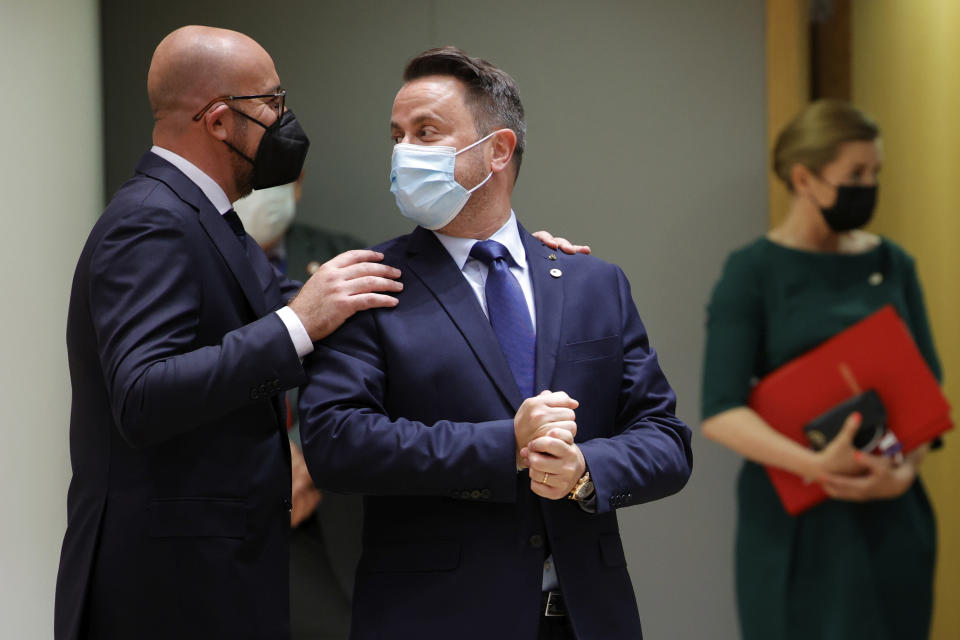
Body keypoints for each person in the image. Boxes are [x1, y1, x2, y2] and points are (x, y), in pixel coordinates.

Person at [298, 46, 693, 640]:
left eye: (426, 132)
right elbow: (337, 444)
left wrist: (588, 469)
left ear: (498, 150)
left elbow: (666, 441)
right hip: (434, 618)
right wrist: (503, 445)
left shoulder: (591, 282)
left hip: (585, 618)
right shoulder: (369, 282)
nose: (405, 152)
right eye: (398, 135)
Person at [54, 26, 402, 640]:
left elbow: (287, 319)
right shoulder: (151, 221)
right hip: (165, 590)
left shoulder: (203, 216)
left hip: (209, 576)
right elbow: (142, 394)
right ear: (218, 121)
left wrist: (503, 261)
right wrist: (299, 320)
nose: (285, 120)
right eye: (272, 102)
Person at [701, 99, 942, 640]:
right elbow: (721, 410)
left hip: (890, 516)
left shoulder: (892, 264)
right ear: (804, 177)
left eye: (875, 172)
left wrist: (903, 472)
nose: (869, 185)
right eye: (855, 174)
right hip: (796, 526)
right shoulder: (753, 272)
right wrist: (815, 464)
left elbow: (929, 386)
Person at [235, 180, 365, 640]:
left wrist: (306, 457)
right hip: (232, 514)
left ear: (299, 183)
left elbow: (378, 380)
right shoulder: (181, 267)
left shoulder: (344, 258)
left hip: (332, 512)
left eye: (272, 177)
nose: (257, 190)